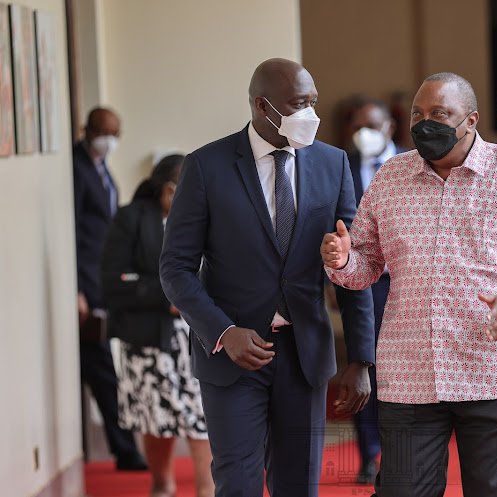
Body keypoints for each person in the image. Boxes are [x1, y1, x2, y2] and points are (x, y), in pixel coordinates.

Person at [321, 72, 497, 497]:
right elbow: (365, 265)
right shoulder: (390, 178)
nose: (425, 123)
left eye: (440, 114)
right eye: (418, 114)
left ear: (471, 120)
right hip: (410, 376)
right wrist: (344, 260)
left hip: (496, 374)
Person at [159, 58, 375, 497]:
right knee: (237, 483)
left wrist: (360, 358)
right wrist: (222, 331)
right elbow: (175, 268)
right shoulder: (206, 167)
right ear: (263, 106)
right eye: (299, 104)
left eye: (313, 102)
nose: (310, 114)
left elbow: (353, 264)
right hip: (234, 358)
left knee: (298, 485)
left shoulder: (332, 164)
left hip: (305, 355)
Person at [100, 154, 214, 497]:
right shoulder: (130, 218)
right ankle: (162, 485)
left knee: (202, 415)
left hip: (199, 336)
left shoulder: (205, 218)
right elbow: (113, 282)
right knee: (155, 419)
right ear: (168, 190)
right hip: (148, 336)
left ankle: (208, 490)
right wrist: (168, 298)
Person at [73, 107, 147, 471]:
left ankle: (123, 448)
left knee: (98, 364)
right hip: (84, 285)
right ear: (87, 129)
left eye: (116, 132)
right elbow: (72, 231)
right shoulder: (75, 166)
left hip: (103, 280)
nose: (110, 139)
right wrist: (77, 290)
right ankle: (125, 449)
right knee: (101, 365)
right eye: (103, 131)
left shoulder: (102, 167)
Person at [346, 98, 409, 483]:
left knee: (401, 372)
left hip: (403, 284)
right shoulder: (343, 167)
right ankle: (369, 454)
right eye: (357, 126)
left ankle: (401, 455)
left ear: (389, 127)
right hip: (361, 287)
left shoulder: (413, 163)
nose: (363, 134)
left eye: (371, 125)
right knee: (363, 367)